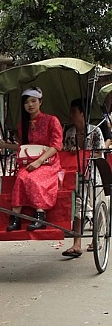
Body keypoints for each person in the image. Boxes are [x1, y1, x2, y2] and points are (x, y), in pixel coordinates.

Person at [2, 88, 63, 231]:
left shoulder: (52, 120)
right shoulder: (22, 125)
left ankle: (40, 216)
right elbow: (23, 147)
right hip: (29, 162)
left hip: (48, 162)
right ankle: (15, 218)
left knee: (34, 179)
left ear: (40, 102)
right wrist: (4, 145)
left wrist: (39, 161)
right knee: (20, 178)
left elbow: (56, 145)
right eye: (26, 102)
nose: (30, 105)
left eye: (33, 101)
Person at [61, 98, 105, 258]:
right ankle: (76, 243)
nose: (71, 115)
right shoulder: (70, 133)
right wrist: (72, 151)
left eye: (74, 112)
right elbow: (65, 152)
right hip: (76, 173)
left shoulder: (95, 131)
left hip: (92, 172)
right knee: (78, 207)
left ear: (82, 113)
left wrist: (82, 152)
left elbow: (99, 153)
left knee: (95, 204)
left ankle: (96, 238)